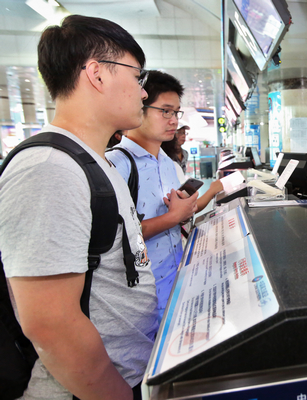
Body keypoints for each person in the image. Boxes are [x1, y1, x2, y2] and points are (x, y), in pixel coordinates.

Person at [0, 15, 158, 399]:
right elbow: (51, 325)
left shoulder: (91, 160)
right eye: (137, 77)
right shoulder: (49, 168)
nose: (142, 93)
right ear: (97, 74)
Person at [106, 71, 222, 320]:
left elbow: (176, 216)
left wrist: (182, 213)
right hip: (139, 297)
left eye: (176, 113)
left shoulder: (169, 165)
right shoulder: (115, 165)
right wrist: (172, 218)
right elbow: (116, 240)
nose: (173, 121)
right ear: (141, 106)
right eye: (165, 111)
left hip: (177, 281)